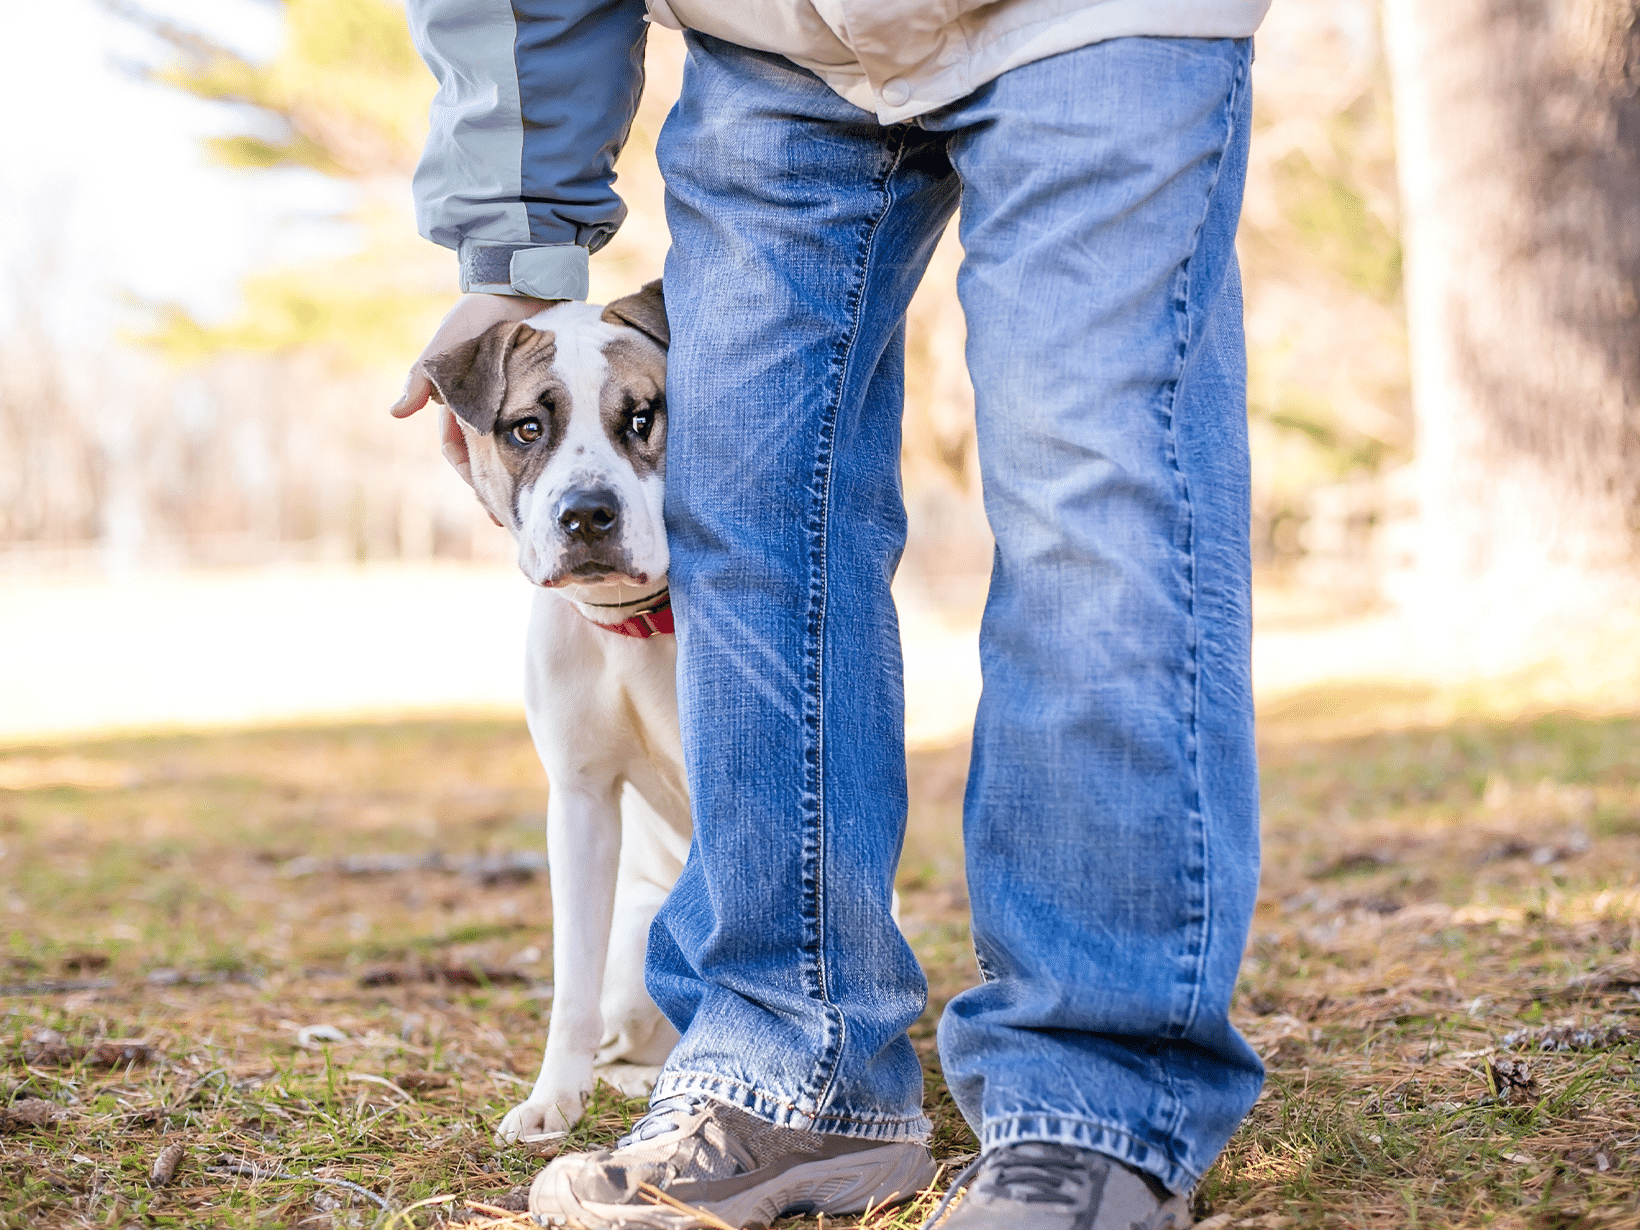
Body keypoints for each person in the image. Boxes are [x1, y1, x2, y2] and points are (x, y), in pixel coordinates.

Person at [392, 3, 1270, 1226]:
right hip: (772, 43)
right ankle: (788, 1064)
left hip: (1096, 20)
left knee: (1094, 497)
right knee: (739, 518)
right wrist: (512, 251)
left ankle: (1094, 1103)